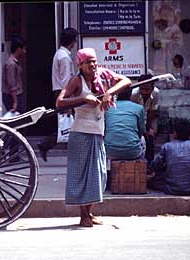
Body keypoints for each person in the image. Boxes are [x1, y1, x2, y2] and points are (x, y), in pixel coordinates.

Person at [56, 48, 132, 227]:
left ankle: (89, 212)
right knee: (82, 175)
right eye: (88, 62)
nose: (92, 65)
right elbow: (60, 102)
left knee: (98, 174)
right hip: (80, 133)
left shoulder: (103, 75)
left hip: (98, 132)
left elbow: (126, 80)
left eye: (94, 61)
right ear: (80, 65)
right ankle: (83, 215)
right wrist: (84, 99)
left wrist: (109, 93)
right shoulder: (76, 81)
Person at [38, 27, 79, 162]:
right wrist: (67, 101)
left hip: (59, 92)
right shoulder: (65, 57)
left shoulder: (59, 54)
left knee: (65, 124)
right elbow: (66, 80)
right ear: (72, 41)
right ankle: (46, 144)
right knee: (66, 124)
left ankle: (47, 144)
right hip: (63, 93)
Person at [147, 118, 190, 195]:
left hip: (171, 188)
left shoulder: (167, 146)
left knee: (152, 180)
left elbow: (155, 165)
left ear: (175, 133)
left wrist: (148, 171)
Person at [2, 36, 27, 162]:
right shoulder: (11, 64)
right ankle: (7, 150)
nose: (25, 52)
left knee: (17, 125)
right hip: (13, 97)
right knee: (15, 126)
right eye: (23, 49)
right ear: (18, 49)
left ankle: (14, 153)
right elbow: (11, 85)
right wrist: (15, 102)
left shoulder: (14, 62)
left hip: (15, 96)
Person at [105, 87, 146, 160]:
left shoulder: (108, 107)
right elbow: (141, 131)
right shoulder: (139, 108)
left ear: (116, 94)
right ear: (130, 94)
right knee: (142, 139)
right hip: (132, 152)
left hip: (109, 152)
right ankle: (141, 165)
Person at [130, 74, 160, 163]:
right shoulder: (134, 94)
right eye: (142, 89)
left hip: (149, 117)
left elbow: (152, 112)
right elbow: (133, 114)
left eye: (147, 89)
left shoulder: (156, 93)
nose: (144, 92)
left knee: (150, 136)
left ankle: (150, 163)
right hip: (136, 118)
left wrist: (148, 129)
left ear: (152, 87)